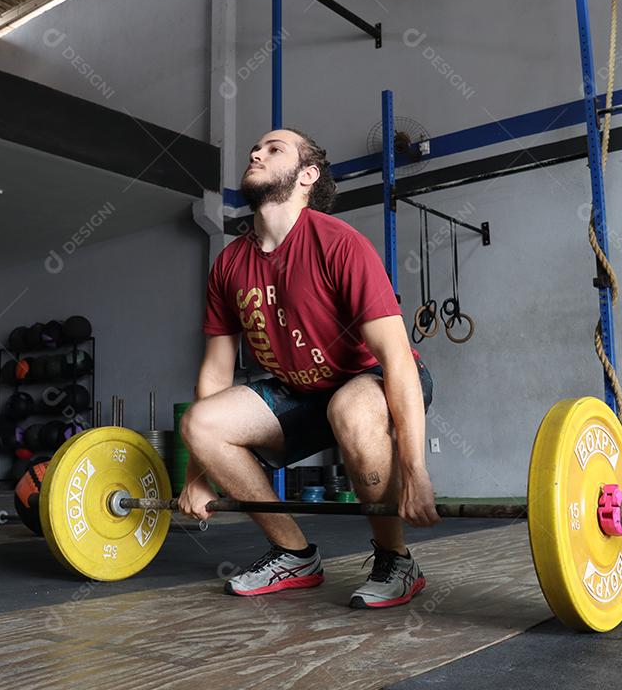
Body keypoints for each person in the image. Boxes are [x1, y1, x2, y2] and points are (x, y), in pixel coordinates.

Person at [177, 128, 437, 609]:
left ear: (307, 176)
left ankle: (396, 558)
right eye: (256, 147)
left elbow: (396, 358)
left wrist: (414, 467)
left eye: (274, 149)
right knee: (200, 421)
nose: (256, 152)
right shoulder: (230, 263)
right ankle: (293, 553)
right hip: (301, 391)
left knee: (352, 408)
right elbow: (215, 375)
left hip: (374, 381)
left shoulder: (339, 244)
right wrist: (198, 472)